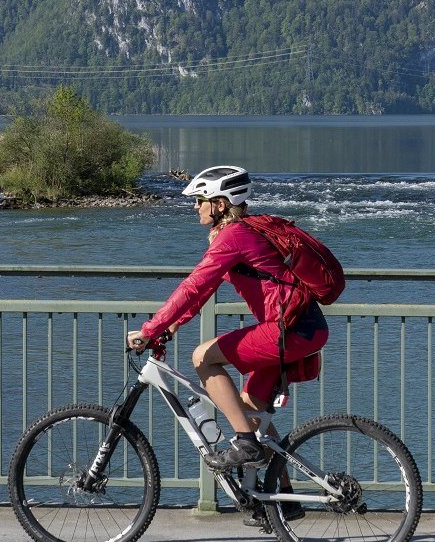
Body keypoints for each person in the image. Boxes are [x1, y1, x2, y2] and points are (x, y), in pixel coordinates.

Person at [127, 165, 330, 478]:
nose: (195, 207)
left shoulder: (233, 236)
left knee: (203, 358)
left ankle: (246, 444)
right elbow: (205, 289)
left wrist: (149, 329)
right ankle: (281, 500)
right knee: (249, 411)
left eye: (200, 200)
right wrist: (172, 324)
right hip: (302, 326)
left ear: (219, 204)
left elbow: (193, 285)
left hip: (290, 330)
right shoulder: (239, 232)